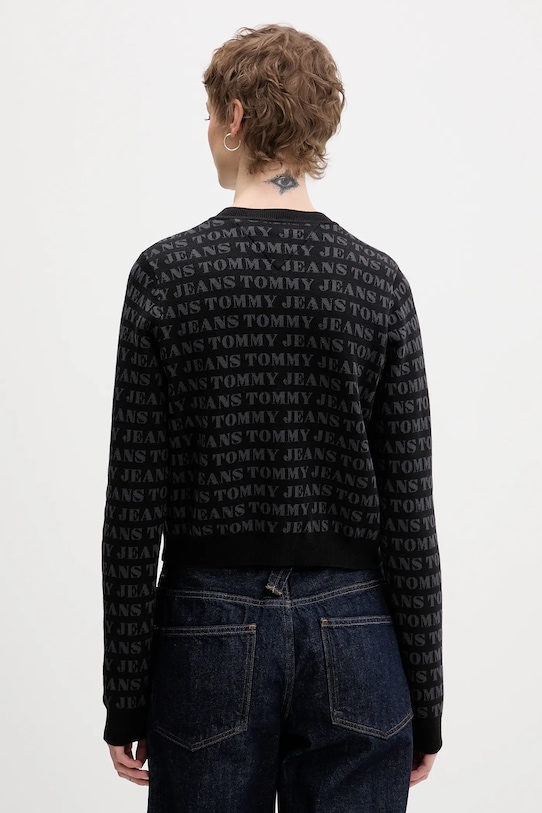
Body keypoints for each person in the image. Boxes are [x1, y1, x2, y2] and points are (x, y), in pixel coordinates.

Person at [102, 23, 443, 812]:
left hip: (205, 631)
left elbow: (133, 507)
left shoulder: (165, 275)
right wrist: (425, 697)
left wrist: (125, 691)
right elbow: (409, 512)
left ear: (235, 116)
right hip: (358, 631)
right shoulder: (378, 283)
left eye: (209, 114)